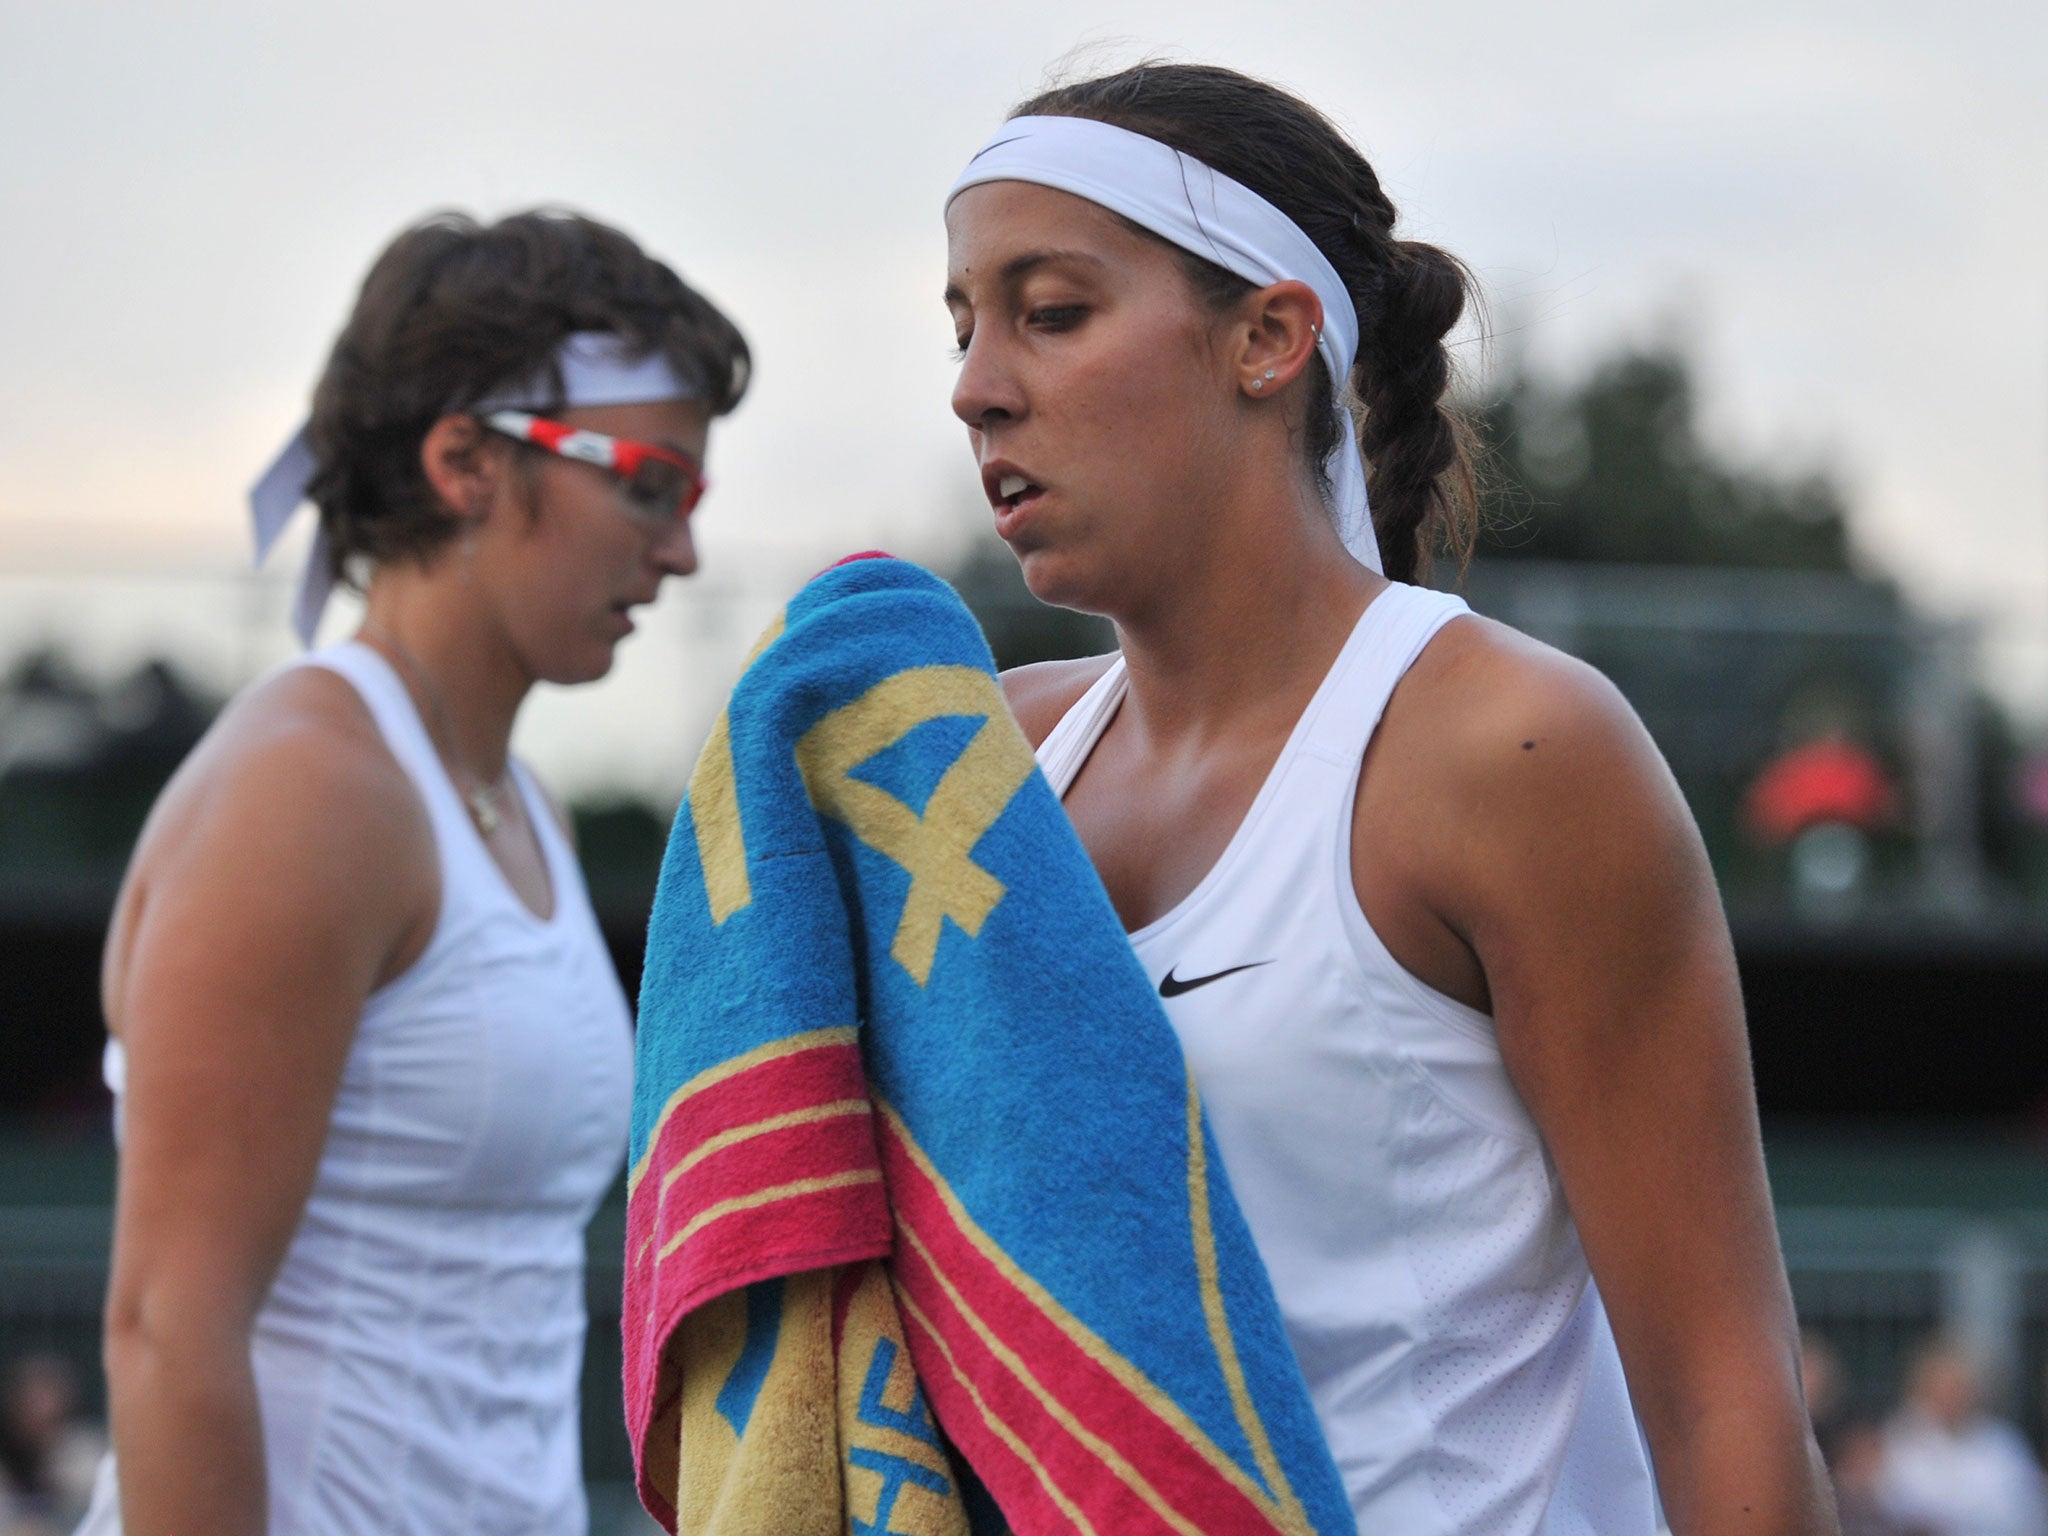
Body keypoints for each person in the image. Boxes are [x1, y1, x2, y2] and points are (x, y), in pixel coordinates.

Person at [943, 64, 1836, 1531]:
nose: (978, 382)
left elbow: (1719, 1394)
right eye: (963, 321)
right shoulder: (985, 758)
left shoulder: (1511, 753)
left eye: (1051, 311)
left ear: (1268, 340)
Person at [80, 209, 748, 1535]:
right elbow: (168, 1332)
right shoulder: (312, 792)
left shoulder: (516, 803)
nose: (680, 552)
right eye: (651, 484)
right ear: (467, 464)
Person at [1876, 1336, 2047, 1536]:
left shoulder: (2003, 1443)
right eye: (1944, 1385)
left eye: (1961, 1386)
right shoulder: (1895, 1440)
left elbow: (2029, 1510)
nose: (1953, 1395)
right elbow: (1890, 1505)